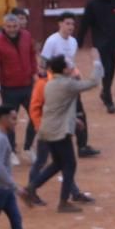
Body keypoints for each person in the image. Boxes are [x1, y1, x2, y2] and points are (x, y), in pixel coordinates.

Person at [24, 55, 101, 212]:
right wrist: (97, 62)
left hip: (48, 129)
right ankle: (63, 202)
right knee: (70, 164)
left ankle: (31, 188)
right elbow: (92, 82)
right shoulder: (67, 84)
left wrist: (73, 121)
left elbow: (60, 108)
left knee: (58, 163)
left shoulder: (50, 84)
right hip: (59, 132)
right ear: (64, 69)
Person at [40, 12, 97, 158]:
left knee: (79, 112)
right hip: (56, 84)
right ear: (60, 24)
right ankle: (43, 146)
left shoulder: (73, 42)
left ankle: (82, 145)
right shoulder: (51, 41)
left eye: (72, 24)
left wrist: (76, 74)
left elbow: (71, 62)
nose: (71, 27)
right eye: (67, 23)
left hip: (69, 82)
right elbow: (43, 64)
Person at [0, 10, 37, 148]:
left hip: (27, 84)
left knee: (36, 115)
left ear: (19, 25)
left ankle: (28, 147)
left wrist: (34, 73)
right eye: (9, 27)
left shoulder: (26, 36)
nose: (12, 29)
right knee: (10, 120)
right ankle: (11, 150)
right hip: (9, 88)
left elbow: (32, 56)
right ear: (4, 27)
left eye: (15, 26)